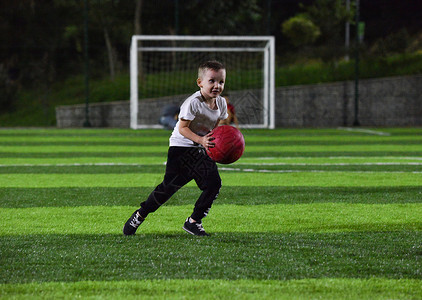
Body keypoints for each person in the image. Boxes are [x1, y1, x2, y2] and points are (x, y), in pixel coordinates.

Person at [123, 60, 228, 236]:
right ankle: (140, 215)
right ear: (200, 82)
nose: (217, 85)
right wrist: (202, 141)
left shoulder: (221, 103)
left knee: (214, 184)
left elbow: (215, 127)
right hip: (181, 148)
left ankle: (194, 221)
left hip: (200, 148)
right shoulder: (192, 102)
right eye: (212, 81)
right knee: (167, 190)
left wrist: (219, 144)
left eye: (221, 81)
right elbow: (183, 128)